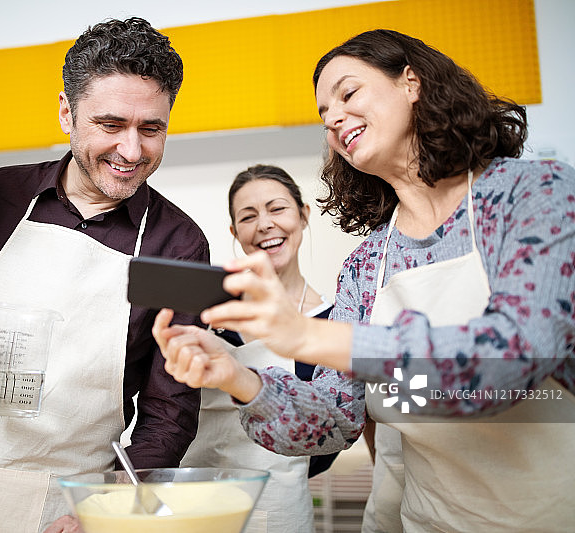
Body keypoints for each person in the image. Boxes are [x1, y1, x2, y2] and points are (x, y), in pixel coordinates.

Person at [154, 29, 575, 532]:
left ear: (412, 82)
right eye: (323, 114)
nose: (332, 118)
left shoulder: (532, 193)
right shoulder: (367, 263)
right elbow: (332, 420)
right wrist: (235, 376)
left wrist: (308, 334)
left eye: (347, 94)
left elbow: (516, 356)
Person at [0, 18, 208, 533]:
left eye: (151, 128)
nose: (131, 150)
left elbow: (173, 410)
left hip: (67, 503)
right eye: (110, 124)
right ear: (65, 113)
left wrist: (113, 507)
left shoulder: (181, 246)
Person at [178, 164, 338, 533]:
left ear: (304, 215)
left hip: (281, 508)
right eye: (248, 217)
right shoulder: (207, 311)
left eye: (277, 208)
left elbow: (335, 430)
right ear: (235, 233)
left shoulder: (331, 322)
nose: (264, 224)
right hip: (194, 502)